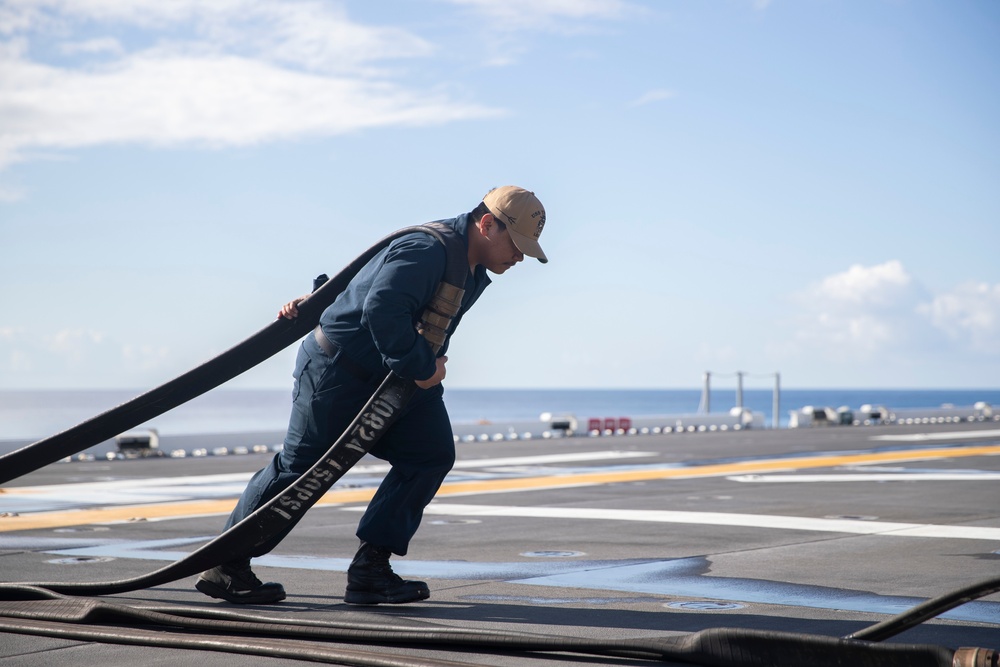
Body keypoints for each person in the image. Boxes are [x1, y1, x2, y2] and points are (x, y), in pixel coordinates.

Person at [196, 186, 548, 605]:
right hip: (340, 371)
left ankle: (370, 570)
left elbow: (368, 288)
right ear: (488, 224)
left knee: (430, 455)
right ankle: (226, 566)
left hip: (397, 378)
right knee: (300, 470)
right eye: (516, 244)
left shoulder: (469, 267)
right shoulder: (427, 248)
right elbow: (380, 309)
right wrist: (423, 368)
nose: (520, 256)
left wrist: (418, 368)